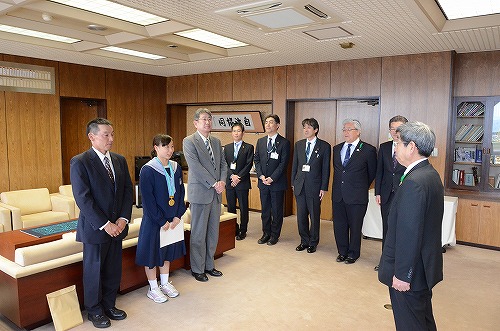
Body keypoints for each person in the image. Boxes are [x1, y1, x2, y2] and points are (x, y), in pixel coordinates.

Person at [378, 121, 444, 330]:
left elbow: (409, 233)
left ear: (412, 147)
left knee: (410, 324)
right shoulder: (429, 174)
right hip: (422, 268)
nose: (395, 148)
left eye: (398, 143)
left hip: (411, 275)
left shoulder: (415, 182)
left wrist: (402, 275)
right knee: (423, 320)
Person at [70, 118, 133, 328]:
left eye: (112, 134)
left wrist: (123, 219)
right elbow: (83, 198)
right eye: (106, 134)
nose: (111, 139)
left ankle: (109, 304)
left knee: (113, 269)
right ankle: (95, 310)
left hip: (118, 227)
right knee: (94, 271)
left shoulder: (119, 160)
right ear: (92, 136)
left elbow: (126, 191)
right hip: (96, 229)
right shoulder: (80, 161)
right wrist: (106, 224)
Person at [135, 134, 186, 303]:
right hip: (155, 221)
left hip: (173, 220)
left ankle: (164, 283)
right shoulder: (148, 169)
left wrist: (178, 215)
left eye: (172, 146)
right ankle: (153, 287)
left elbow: (180, 193)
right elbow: (148, 200)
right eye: (166, 146)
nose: (170, 150)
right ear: (156, 148)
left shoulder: (176, 167)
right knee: (152, 255)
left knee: (166, 252)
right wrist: (160, 220)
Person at [183, 108, 227, 282]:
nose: (207, 122)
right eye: (204, 119)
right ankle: (197, 268)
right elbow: (195, 167)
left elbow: (223, 164)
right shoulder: (189, 141)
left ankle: (209, 265)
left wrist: (222, 181)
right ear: (195, 123)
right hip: (201, 193)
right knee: (199, 234)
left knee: (212, 233)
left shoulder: (216, 142)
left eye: (209, 119)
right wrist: (214, 183)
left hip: (216, 194)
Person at [332, 119, 376, 264]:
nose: (346, 132)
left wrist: (360, 186)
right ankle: (342, 251)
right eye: (344, 129)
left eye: (349, 129)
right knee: (339, 225)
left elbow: (371, 173)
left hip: (357, 196)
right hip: (338, 194)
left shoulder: (368, 150)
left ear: (358, 131)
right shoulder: (337, 148)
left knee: (355, 226)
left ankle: (353, 253)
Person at [291, 118, 331, 253]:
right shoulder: (299, 145)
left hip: (314, 186)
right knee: (301, 215)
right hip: (300, 185)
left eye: (309, 127)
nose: (306, 130)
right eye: (304, 127)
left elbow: (326, 169)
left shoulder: (324, 146)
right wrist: (293, 183)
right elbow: (295, 165)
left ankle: (313, 242)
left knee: (314, 216)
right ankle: (304, 241)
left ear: (316, 130)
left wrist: (323, 187)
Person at [374, 115, 408, 271]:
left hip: (403, 194)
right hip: (386, 193)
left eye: (399, 128)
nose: (395, 132)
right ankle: (385, 262)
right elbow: (379, 171)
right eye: (392, 129)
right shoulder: (384, 147)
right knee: (387, 228)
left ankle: (400, 264)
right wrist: (378, 192)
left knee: (402, 229)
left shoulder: (411, 146)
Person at [254, 114, 291, 246]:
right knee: (265, 210)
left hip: (277, 183)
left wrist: (272, 178)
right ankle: (266, 233)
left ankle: (275, 235)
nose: (268, 125)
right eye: (266, 122)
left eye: (271, 122)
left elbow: (283, 164)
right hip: (263, 182)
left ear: (277, 125)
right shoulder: (261, 141)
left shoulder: (284, 142)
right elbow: (257, 160)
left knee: (276, 211)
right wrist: (261, 175)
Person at [223, 122, 254, 241]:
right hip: (230, 182)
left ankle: (243, 230)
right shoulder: (227, 147)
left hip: (242, 182)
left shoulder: (249, 147)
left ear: (243, 133)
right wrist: (232, 176)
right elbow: (224, 164)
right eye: (234, 131)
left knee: (243, 207)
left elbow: (248, 164)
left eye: (238, 131)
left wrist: (238, 177)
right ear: (232, 133)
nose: (236, 133)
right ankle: (233, 228)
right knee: (230, 207)